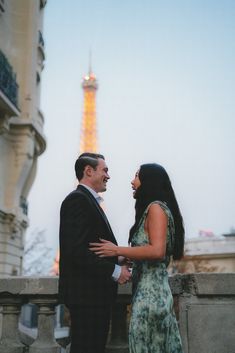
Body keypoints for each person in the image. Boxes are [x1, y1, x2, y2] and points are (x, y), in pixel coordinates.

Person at [90, 163, 185, 353]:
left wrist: (117, 250)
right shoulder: (155, 208)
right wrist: (129, 258)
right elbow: (152, 252)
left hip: (151, 297)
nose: (132, 181)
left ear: (149, 182)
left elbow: (157, 251)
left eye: (137, 176)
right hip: (150, 293)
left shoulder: (155, 208)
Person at [58, 152, 131, 353]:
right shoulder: (78, 200)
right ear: (89, 171)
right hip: (87, 297)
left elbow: (90, 247)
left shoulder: (86, 200)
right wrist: (116, 271)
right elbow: (77, 252)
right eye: (105, 170)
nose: (108, 175)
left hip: (91, 296)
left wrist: (119, 257)